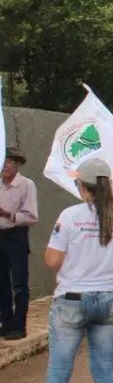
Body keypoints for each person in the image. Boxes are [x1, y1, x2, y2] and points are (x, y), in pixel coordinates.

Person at [43, 158, 113, 383]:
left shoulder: (69, 216)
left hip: (71, 300)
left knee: (59, 369)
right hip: (110, 299)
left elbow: (52, 261)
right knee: (104, 368)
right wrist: (109, 258)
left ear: (82, 185)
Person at [0, 146, 37, 340]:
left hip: (16, 235)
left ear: (18, 165)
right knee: (1, 283)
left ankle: (19, 325)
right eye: (4, 161)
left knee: (20, 283)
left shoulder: (26, 185)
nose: (6, 166)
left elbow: (31, 216)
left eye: (10, 162)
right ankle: (5, 323)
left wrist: (8, 214)